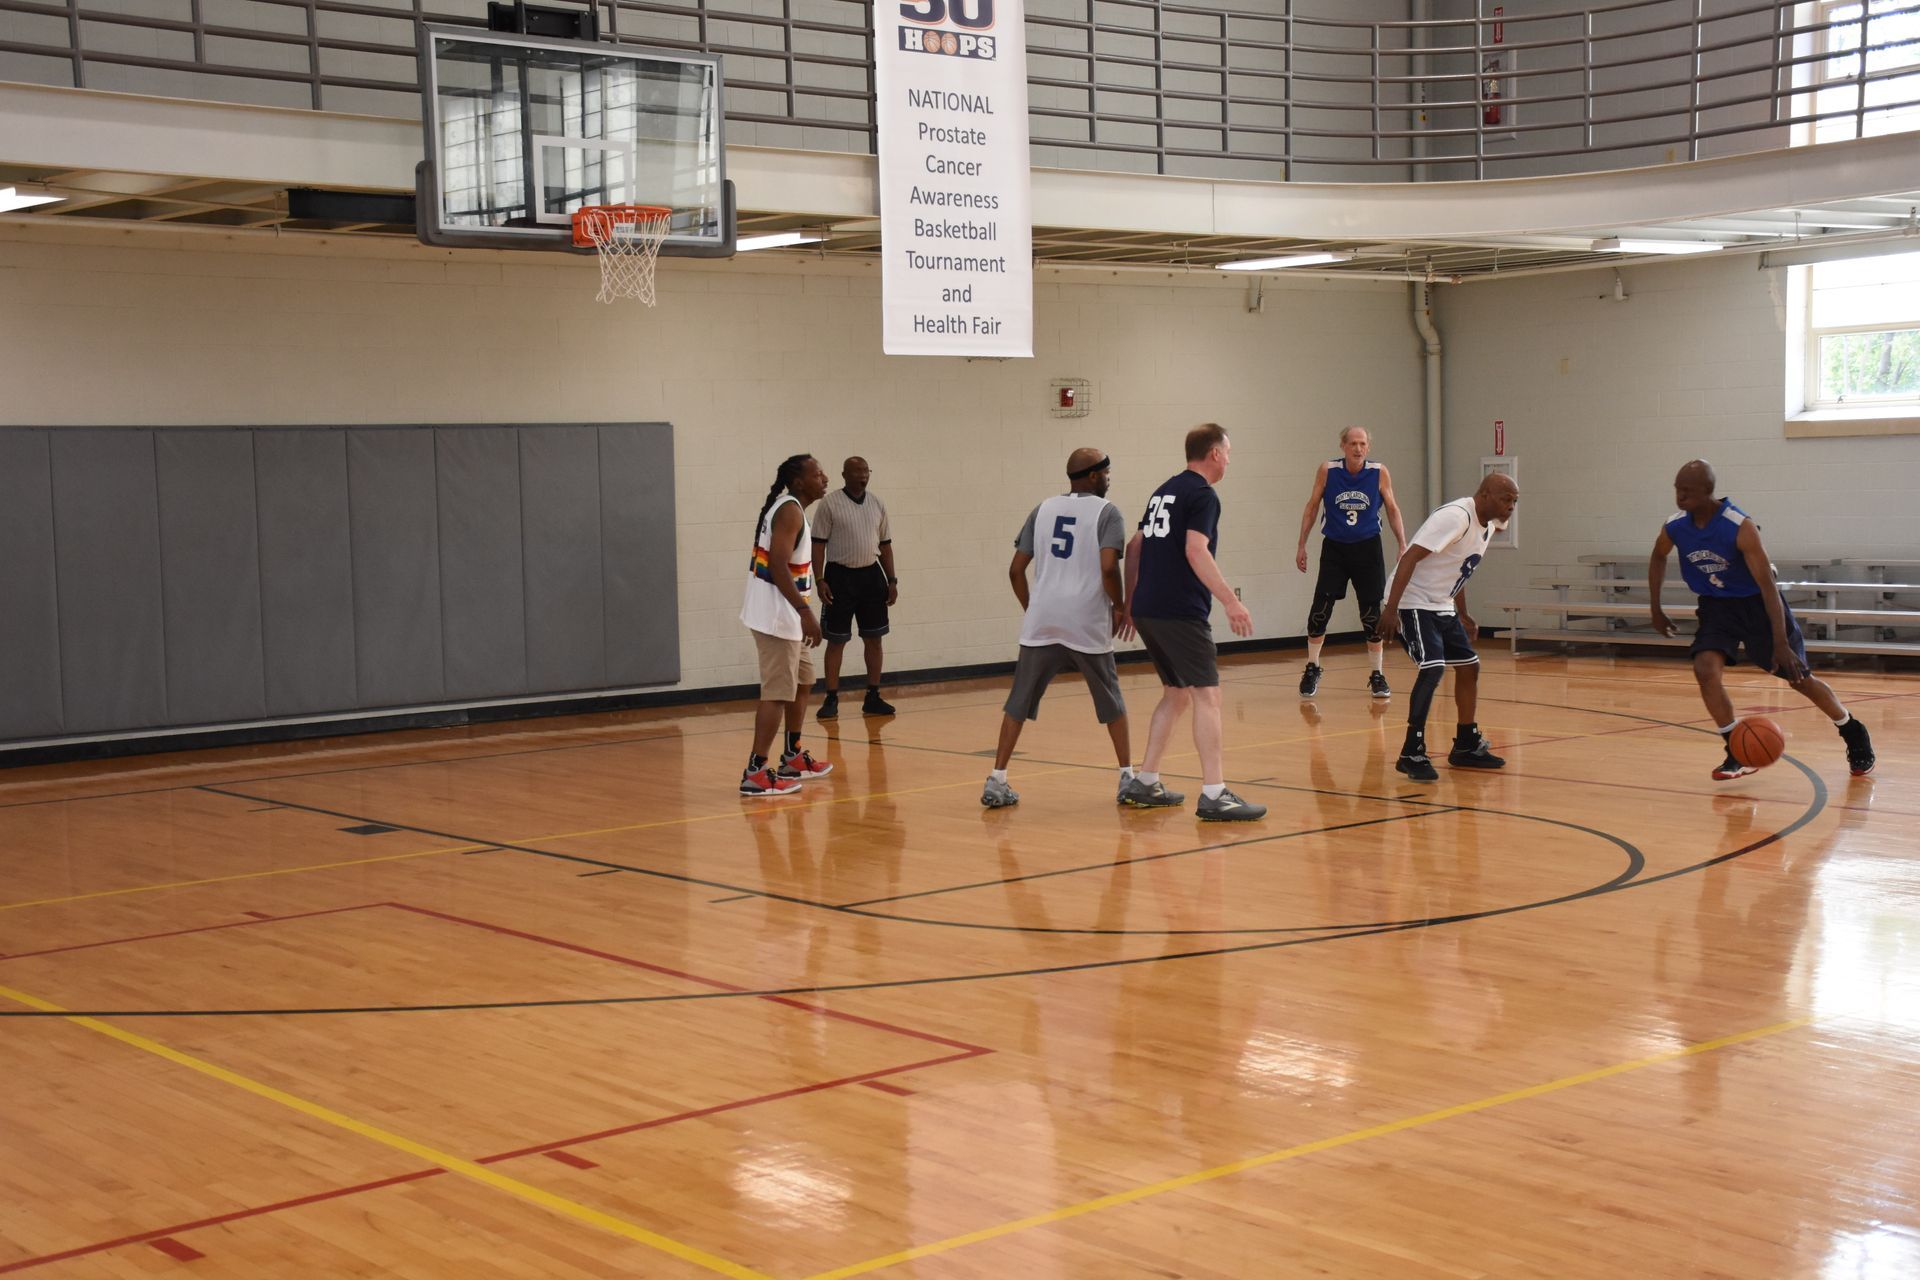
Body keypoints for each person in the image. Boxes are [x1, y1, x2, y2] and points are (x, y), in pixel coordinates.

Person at [1649, 459, 1874, 780]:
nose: (1680, 497)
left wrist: (1780, 642)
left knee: (1799, 680)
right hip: (1716, 607)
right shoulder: (1675, 526)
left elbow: (1768, 586)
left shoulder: (1738, 526)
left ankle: (1852, 729)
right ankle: (1735, 750)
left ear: (1707, 492)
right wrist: (1655, 609)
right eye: (1677, 490)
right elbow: (1658, 556)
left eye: (1687, 491)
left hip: (1758, 606)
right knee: (1704, 669)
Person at [1118, 423, 1267, 822]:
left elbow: (1135, 546)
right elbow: (1195, 550)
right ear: (1215, 453)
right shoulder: (1203, 494)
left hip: (1150, 607)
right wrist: (1231, 601)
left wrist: (1131, 601)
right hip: (1179, 609)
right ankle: (1215, 793)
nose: (1230, 460)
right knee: (1207, 696)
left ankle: (1146, 781)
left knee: (1176, 693)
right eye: (1228, 452)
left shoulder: (1163, 490)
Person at [983, 449, 1134, 808]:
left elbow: (1015, 570)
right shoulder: (1108, 512)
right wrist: (1120, 606)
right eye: (1107, 472)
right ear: (1094, 476)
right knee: (1112, 700)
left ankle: (997, 779)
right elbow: (1109, 568)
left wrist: (1033, 608)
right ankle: (1127, 777)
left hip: (1043, 620)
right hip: (1085, 620)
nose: (1110, 478)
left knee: (1018, 702)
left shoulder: (1043, 508)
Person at [1375, 473, 1519, 781]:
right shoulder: (1456, 517)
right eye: (1506, 499)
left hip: (1441, 603)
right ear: (1484, 495)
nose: (1511, 506)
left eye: (1515, 501)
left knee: (1469, 666)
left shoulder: (1490, 525)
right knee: (1433, 667)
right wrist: (1390, 609)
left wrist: (1463, 614)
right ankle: (1411, 751)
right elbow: (1409, 558)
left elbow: (1458, 567)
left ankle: (1466, 744)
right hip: (1411, 601)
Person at [738, 454, 836, 797]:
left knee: (804, 680)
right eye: (818, 473)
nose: (825, 478)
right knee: (778, 692)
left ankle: (792, 756)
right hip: (777, 617)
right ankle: (755, 771)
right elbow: (778, 566)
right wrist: (806, 612)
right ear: (798, 482)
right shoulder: (791, 510)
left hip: (789, 616)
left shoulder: (792, 508)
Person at [1294, 425, 1407, 701]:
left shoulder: (1378, 472)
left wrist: (1403, 543)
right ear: (1343, 446)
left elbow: (1392, 508)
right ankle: (1312, 667)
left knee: (1371, 615)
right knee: (1320, 610)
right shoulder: (1328, 470)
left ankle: (1377, 674)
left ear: (1368, 447)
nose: (1358, 448)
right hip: (1335, 548)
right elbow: (1312, 506)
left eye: (1363, 444)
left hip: (1368, 549)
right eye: (1353, 443)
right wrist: (1302, 544)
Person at [811, 456, 898, 719]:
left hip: (872, 575)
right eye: (857, 471)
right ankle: (831, 698)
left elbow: (885, 545)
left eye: (866, 470)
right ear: (844, 474)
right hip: (840, 576)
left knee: (874, 637)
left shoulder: (877, 503)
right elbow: (818, 545)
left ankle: (873, 695)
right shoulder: (829, 504)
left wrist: (892, 580)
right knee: (836, 641)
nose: (863, 475)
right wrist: (819, 579)